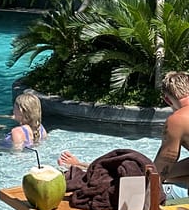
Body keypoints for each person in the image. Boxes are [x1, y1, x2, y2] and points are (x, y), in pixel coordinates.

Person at [58, 71, 189, 199]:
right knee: (146, 170)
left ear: (167, 100)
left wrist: (143, 193)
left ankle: (88, 169)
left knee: (133, 182)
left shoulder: (177, 120)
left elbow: (163, 166)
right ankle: (85, 166)